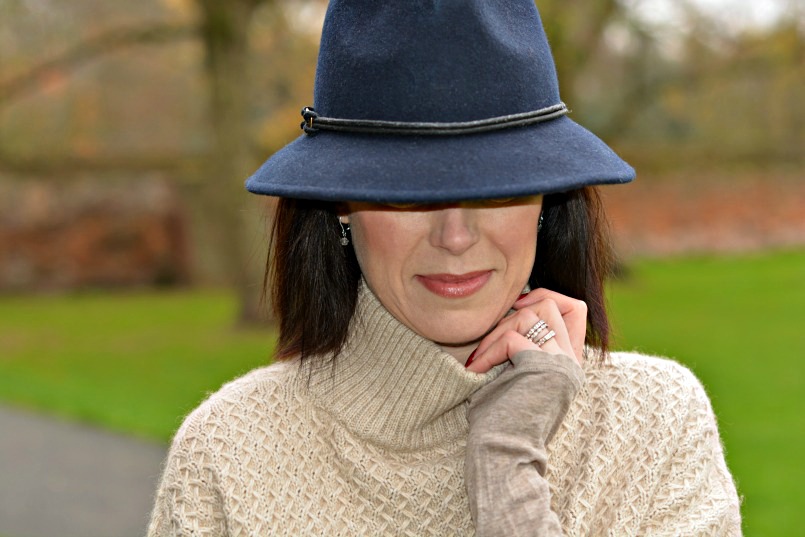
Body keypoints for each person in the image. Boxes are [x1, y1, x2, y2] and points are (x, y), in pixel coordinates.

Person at [148, 1, 742, 535]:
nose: (455, 237)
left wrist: (506, 462)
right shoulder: (228, 454)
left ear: (544, 202)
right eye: (406, 196)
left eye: (496, 190)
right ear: (341, 209)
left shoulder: (653, 425)